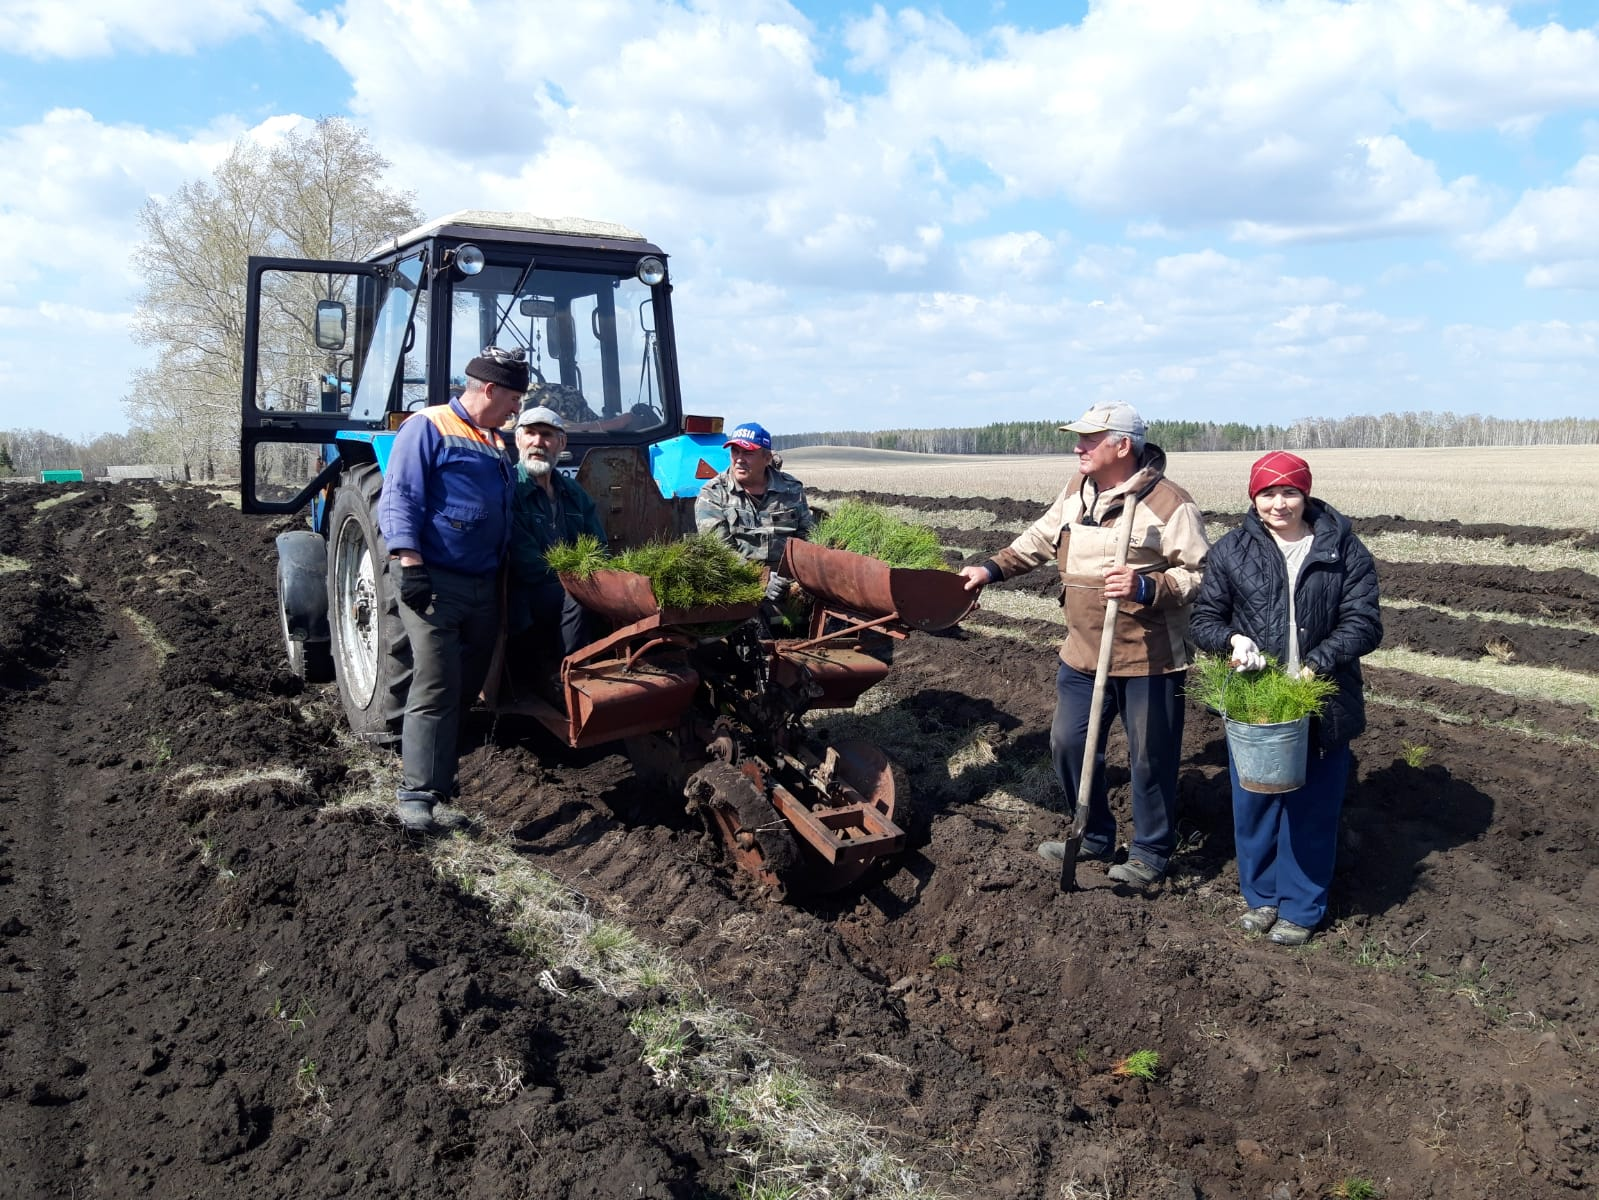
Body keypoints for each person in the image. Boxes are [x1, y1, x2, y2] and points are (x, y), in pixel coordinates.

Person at [958, 403, 1210, 887]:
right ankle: (1092, 834)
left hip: (1148, 656)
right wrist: (988, 569)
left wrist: (1148, 587)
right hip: (1083, 651)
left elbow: (1204, 572)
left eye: (1090, 440)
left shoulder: (1169, 503)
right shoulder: (1077, 491)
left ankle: (1150, 853)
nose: (1078, 447)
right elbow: (1038, 540)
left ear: (1122, 446)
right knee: (1068, 743)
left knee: (1149, 757)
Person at [1189, 451, 1382, 946]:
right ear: (1254, 497)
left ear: (1306, 494)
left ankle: (1301, 907)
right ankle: (1262, 899)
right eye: (1268, 493)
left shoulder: (1344, 549)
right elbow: (1204, 620)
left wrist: (1318, 662)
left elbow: (1364, 623)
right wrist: (1233, 641)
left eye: (1290, 491)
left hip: (1323, 698)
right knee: (1255, 804)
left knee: (1312, 807)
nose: (1279, 503)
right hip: (1257, 701)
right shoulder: (1232, 550)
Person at [377, 346, 525, 834]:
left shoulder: (494, 439)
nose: (516, 410)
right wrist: (409, 562)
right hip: (436, 581)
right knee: (436, 681)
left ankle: (442, 786)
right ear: (489, 389)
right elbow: (401, 495)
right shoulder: (429, 425)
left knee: (464, 686)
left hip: (484, 583)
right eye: (513, 399)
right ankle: (416, 794)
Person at [506, 404, 607, 677]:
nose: (538, 442)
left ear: (561, 443)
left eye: (547, 435)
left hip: (568, 582)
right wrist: (576, 580)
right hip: (525, 593)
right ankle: (567, 675)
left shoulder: (572, 492)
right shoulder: (510, 489)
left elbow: (597, 544)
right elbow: (526, 562)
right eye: (531, 434)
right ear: (518, 439)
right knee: (577, 597)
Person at [695, 421, 814, 603]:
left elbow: (806, 537)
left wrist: (789, 579)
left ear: (767, 458)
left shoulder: (791, 489)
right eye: (735, 451)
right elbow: (721, 551)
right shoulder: (712, 494)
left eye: (748, 452)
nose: (739, 459)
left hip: (787, 584)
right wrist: (761, 578)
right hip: (738, 586)